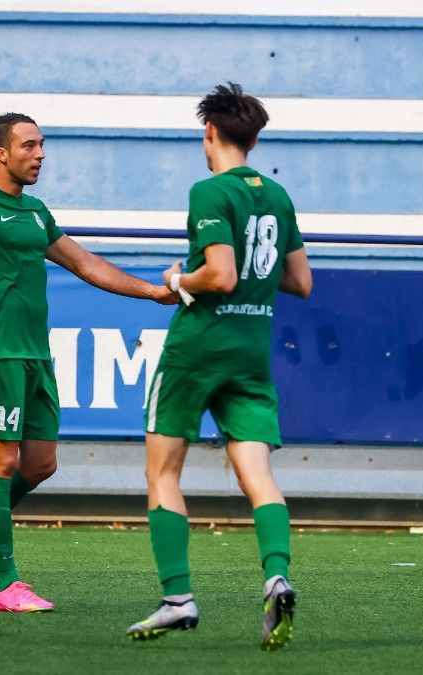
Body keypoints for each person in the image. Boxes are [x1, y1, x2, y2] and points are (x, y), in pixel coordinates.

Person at [0, 112, 176, 613]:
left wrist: (150, 292)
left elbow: (84, 263)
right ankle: (7, 584)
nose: (40, 154)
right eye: (30, 146)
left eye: (42, 145)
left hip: (37, 354)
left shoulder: (37, 212)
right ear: (2, 152)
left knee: (40, 465)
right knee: (1, 460)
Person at [125, 83, 313, 650]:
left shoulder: (209, 191)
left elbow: (222, 275)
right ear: (253, 138)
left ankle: (177, 599)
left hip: (199, 345)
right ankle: (276, 576)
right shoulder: (277, 197)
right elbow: (301, 281)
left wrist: (177, 280)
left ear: (210, 132)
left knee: (163, 472)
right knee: (257, 474)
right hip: (251, 348)